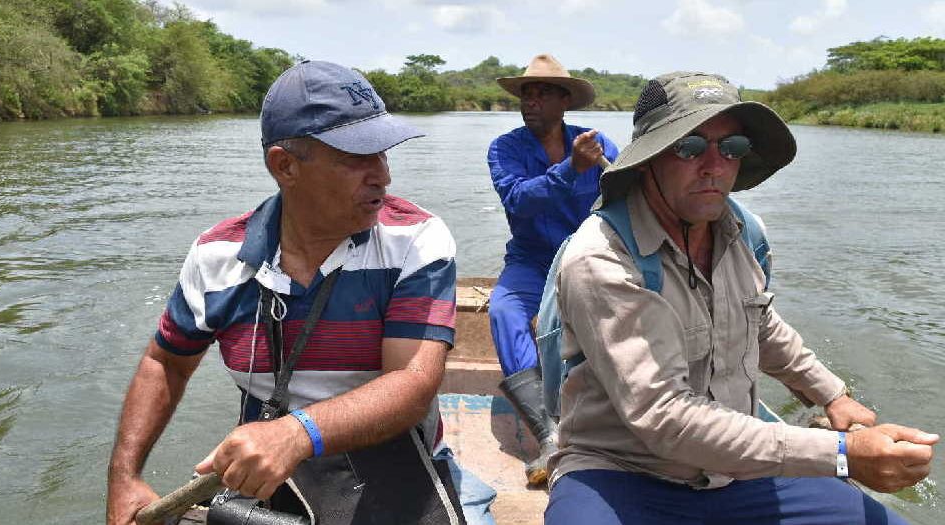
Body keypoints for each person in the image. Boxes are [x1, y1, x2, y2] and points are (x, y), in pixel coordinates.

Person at [106, 60, 495, 525]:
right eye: (356, 158)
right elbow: (165, 361)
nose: (383, 176)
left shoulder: (414, 239)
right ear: (284, 166)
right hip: (268, 473)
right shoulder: (217, 258)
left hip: (394, 460)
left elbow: (412, 385)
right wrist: (124, 477)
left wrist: (297, 434)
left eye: (384, 154)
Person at [545, 71, 938, 524]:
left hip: (735, 473)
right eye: (689, 147)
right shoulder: (602, 260)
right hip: (621, 473)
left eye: (731, 148)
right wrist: (843, 453)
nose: (714, 166)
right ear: (648, 159)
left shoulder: (742, 232)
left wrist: (832, 396)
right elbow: (665, 417)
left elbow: (762, 326)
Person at [486, 54, 619, 485]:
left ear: (565, 101)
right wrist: (570, 170)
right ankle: (549, 433)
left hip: (586, 255)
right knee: (505, 312)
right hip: (530, 258)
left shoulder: (598, 145)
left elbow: (623, 197)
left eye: (543, 93)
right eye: (527, 93)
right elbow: (518, 200)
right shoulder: (505, 149)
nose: (532, 101)